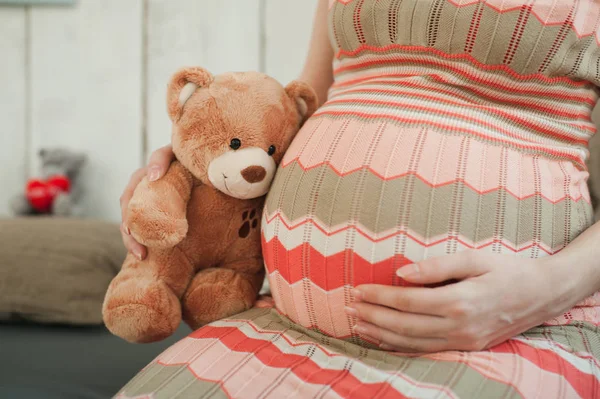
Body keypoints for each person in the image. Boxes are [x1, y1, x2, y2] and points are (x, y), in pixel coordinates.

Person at [118, 0, 600, 397]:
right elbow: (306, 104)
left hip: (508, 333)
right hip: (286, 327)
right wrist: (200, 162)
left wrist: (544, 290)